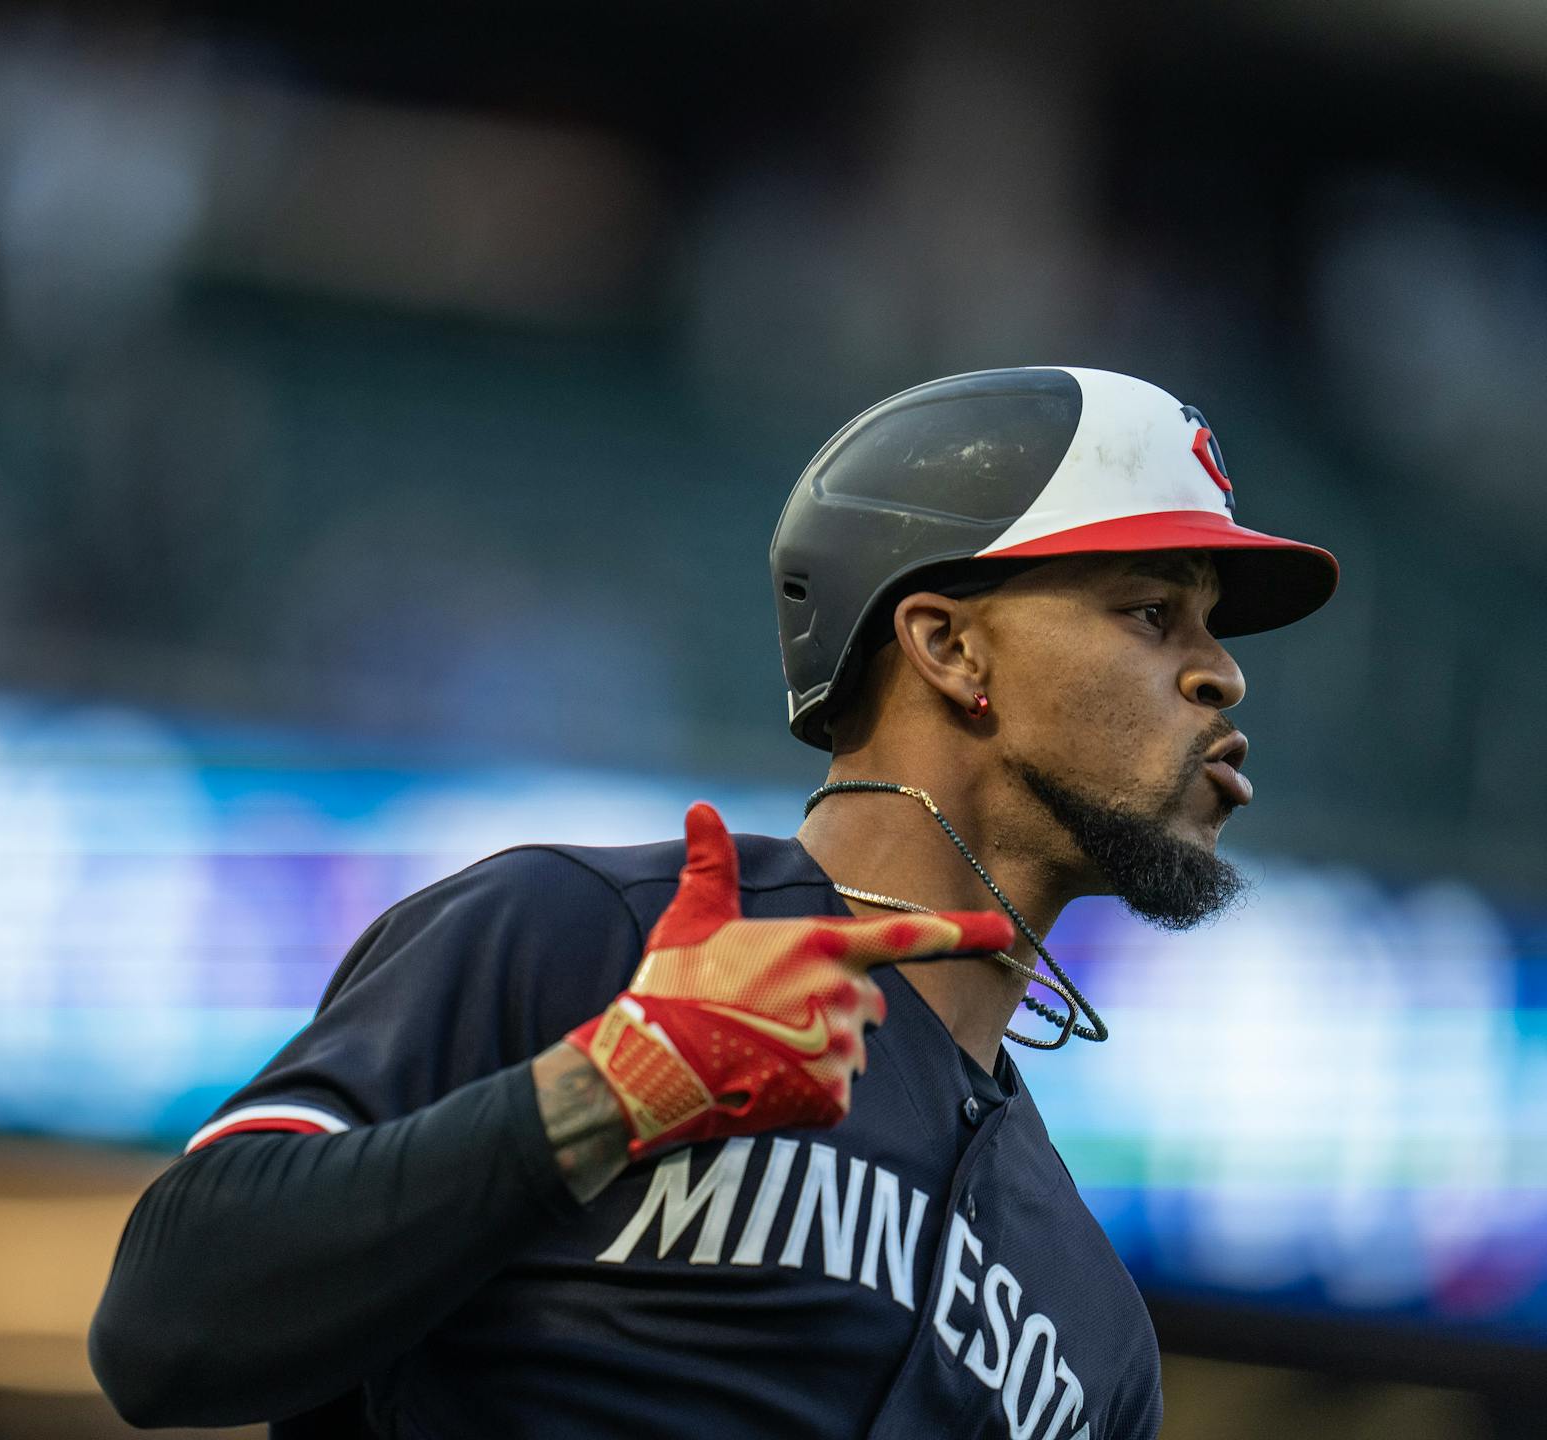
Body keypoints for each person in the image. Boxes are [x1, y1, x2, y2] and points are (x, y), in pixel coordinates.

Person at [89, 366, 1339, 1439]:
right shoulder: (581, 933)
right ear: (950, 646)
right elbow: (166, 1324)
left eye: (1214, 628)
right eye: (1150, 611)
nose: (1221, 674)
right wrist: (607, 1090)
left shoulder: (1096, 1329)